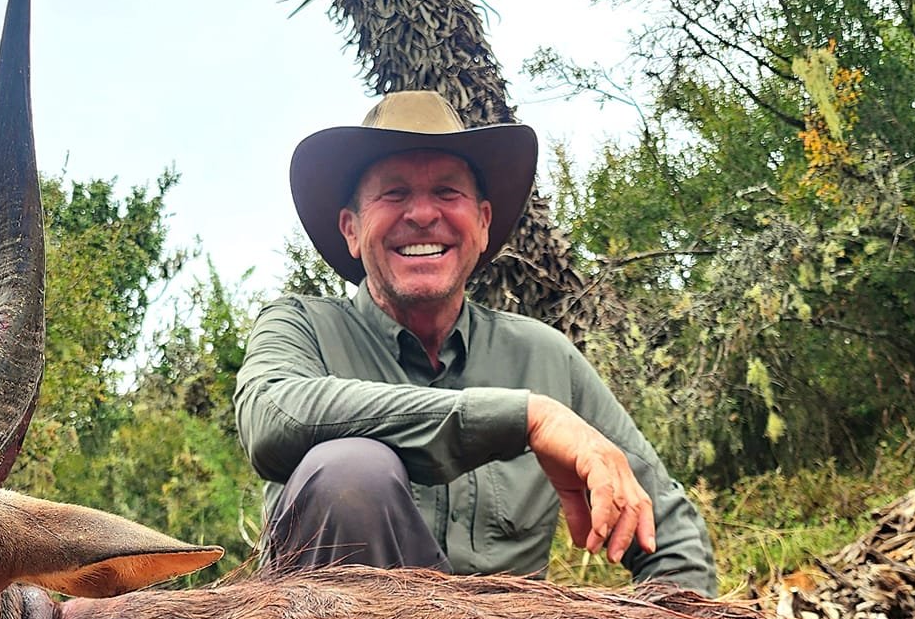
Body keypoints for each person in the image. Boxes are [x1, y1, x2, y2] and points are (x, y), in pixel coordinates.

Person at [234, 90, 717, 590]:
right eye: (394, 194)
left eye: (447, 193)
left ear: (483, 224)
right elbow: (273, 418)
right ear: (351, 230)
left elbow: (671, 535)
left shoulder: (545, 357)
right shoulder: (300, 327)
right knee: (349, 473)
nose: (422, 214)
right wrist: (525, 418)